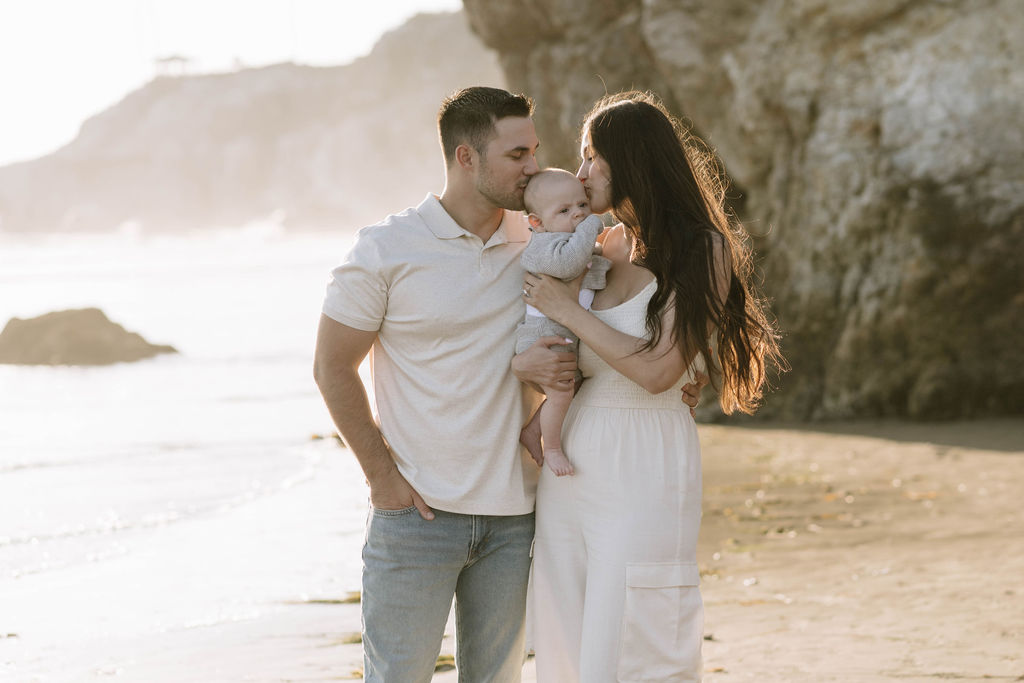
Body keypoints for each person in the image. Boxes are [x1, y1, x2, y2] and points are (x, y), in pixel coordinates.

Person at [313, 86, 704, 682]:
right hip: (418, 512)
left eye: (536, 150)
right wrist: (382, 479)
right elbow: (331, 367)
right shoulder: (386, 248)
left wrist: (689, 375)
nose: (535, 168)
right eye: (517, 154)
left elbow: (625, 321)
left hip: (518, 513)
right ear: (466, 158)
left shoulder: (546, 242)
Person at [522, 91, 784, 681]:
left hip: (645, 458)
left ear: (632, 159)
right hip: (575, 462)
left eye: (592, 157)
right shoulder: (597, 249)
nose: (582, 172)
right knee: (570, 626)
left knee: (642, 631)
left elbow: (659, 370)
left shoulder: (703, 249)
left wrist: (569, 310)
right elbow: (553, 342)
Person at [515, 168, 611, 476]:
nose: (580, 215)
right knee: (562, 392)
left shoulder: (574, 241)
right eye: (565, 211)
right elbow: (569, 264)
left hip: (563, 334)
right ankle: (552, 448)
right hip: (544, 337)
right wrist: (593, 225)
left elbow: (594, 268)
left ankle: (533, 429)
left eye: (583, 206)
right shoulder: (544, 246)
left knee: (575, 386)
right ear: (537, 223)